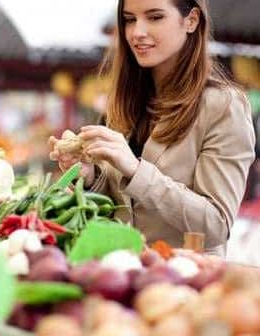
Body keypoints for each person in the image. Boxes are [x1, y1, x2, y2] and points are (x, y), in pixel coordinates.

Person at [49, 0, 255, 256]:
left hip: (182, 283)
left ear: (191, 21)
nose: (137, 32)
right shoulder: (125, 101)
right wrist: (91, 178)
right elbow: (127, 207)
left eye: (155, 17)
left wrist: (136, 170)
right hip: (120, 272)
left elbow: (216, 224)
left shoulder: (223, 106)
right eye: (129, 19)